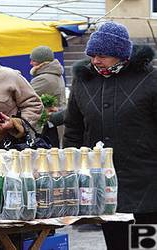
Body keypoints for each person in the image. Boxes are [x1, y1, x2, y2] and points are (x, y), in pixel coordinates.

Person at [63, 21, 157, 250]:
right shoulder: (83, 81)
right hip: (103, 184)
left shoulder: (151, 80)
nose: (95, 61)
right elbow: (73, 128)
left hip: (145, 184)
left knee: (144, 247)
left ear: (121, 54)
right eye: (92, 55)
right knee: (116, 244)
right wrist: (70, 168)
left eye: (102, 55)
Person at [30, 45, 66, 147]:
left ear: (42, 62)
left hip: (45, 126)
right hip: (54, 124)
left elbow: (24, 98)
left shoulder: (44, 79)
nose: (31, 63)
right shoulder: (56, 75)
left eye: (34, 60)